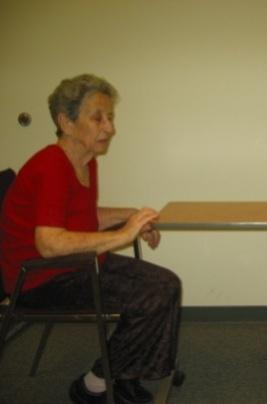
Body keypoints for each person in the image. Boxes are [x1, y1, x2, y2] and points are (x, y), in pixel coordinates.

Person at [0, 74, 182, 404]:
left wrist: (132, 216)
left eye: (110, 117)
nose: (109, 128)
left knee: (167, 284)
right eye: (98, 117)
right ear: (66, 121)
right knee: (151, 296)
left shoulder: (84, 161)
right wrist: (124, 234)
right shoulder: (51, 165)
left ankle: (129, 373)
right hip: (39, 279)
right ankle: (94, 384)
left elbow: (84, 219)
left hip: (74, 264)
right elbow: (49, 243)